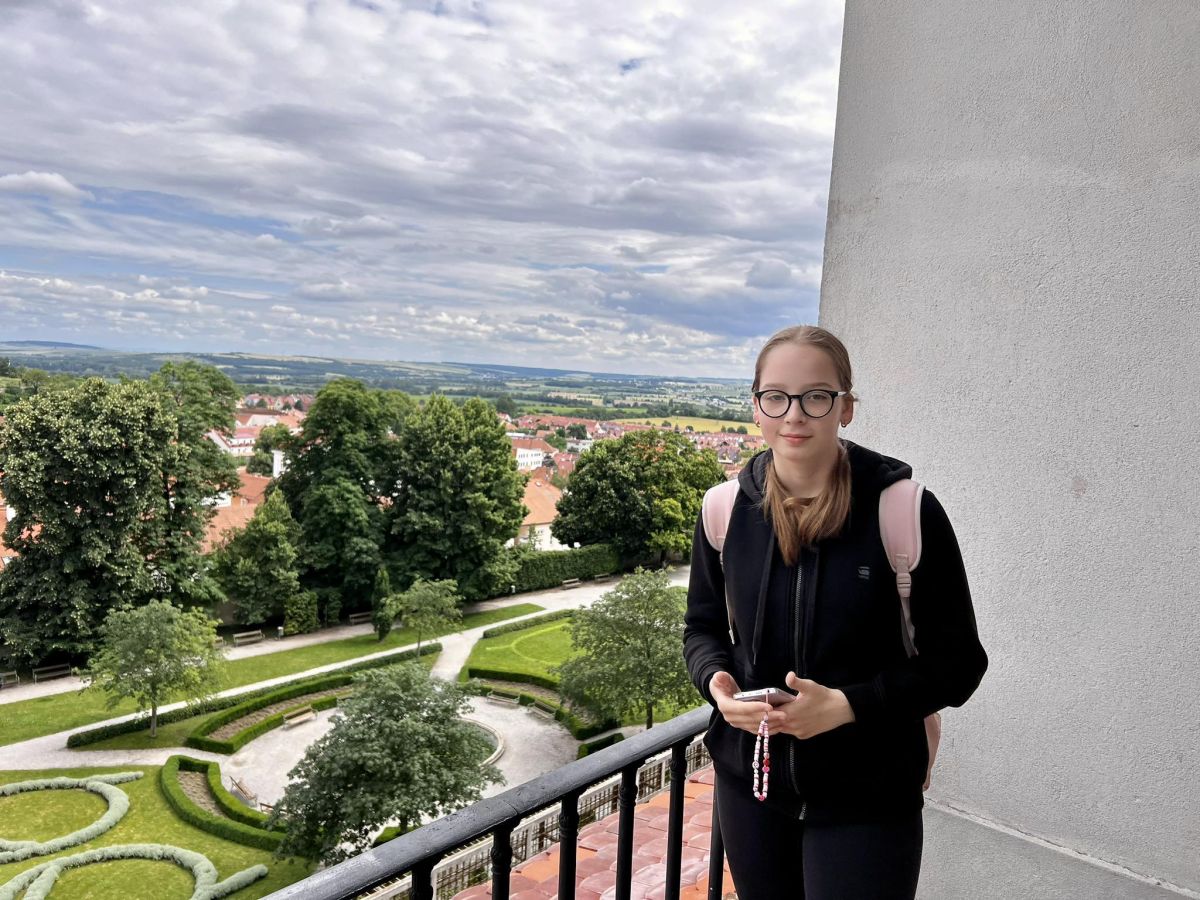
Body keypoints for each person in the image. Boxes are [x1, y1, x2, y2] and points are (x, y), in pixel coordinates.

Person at [683, 325, 988, 899]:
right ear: (756, 407)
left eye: (816, 396)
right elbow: (702, 628)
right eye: (777, 396)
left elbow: (959, 664)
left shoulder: (904, 510)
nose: (794, 414)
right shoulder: (724, 510)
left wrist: (848, 706)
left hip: (868, 796)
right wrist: (716, 682)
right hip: (751, 788)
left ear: (845, 407)